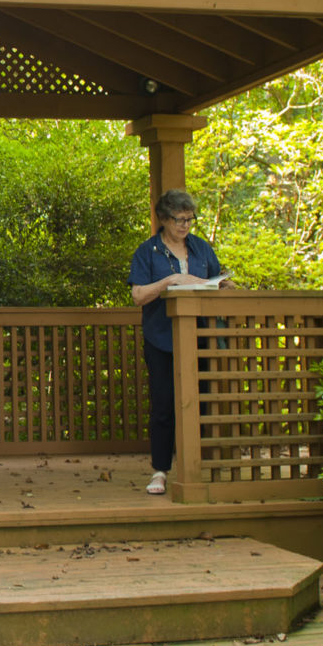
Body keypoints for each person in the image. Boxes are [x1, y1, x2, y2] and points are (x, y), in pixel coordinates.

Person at [127, 189, 232, 496]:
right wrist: (169, 282)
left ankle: (196, 466)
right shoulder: (148, 252)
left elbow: (217, 279)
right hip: (162, 338)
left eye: (189, 219)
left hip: (200, 338)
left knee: (200, 401)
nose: (185, 225)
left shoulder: (201, 248)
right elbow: (138, 296)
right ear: (164, 219)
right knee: (164, 404)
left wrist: (225, 285)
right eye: (179, 219)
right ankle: (160, 470)